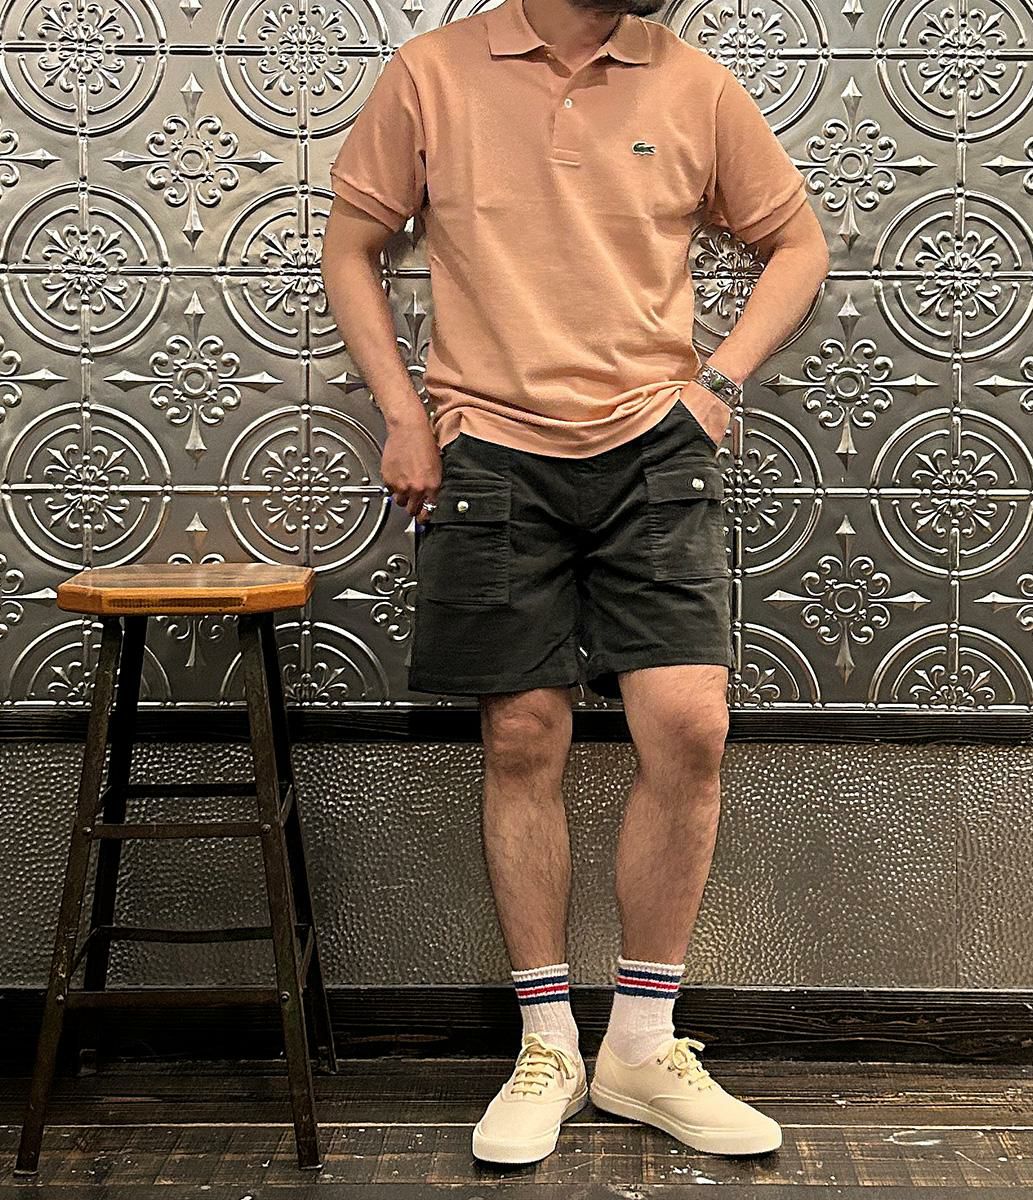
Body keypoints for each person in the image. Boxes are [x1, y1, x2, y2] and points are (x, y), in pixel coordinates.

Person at [321, 0, 830, 1166]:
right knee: (521, 737)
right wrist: (402, 413)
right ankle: (547, 1045)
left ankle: (641, 1045)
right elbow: (351, 245)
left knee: (690, 725)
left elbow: (798, 244)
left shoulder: (692, 82)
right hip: (491, 452)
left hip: (656, 450)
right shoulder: (431, 72)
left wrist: (718, 385)